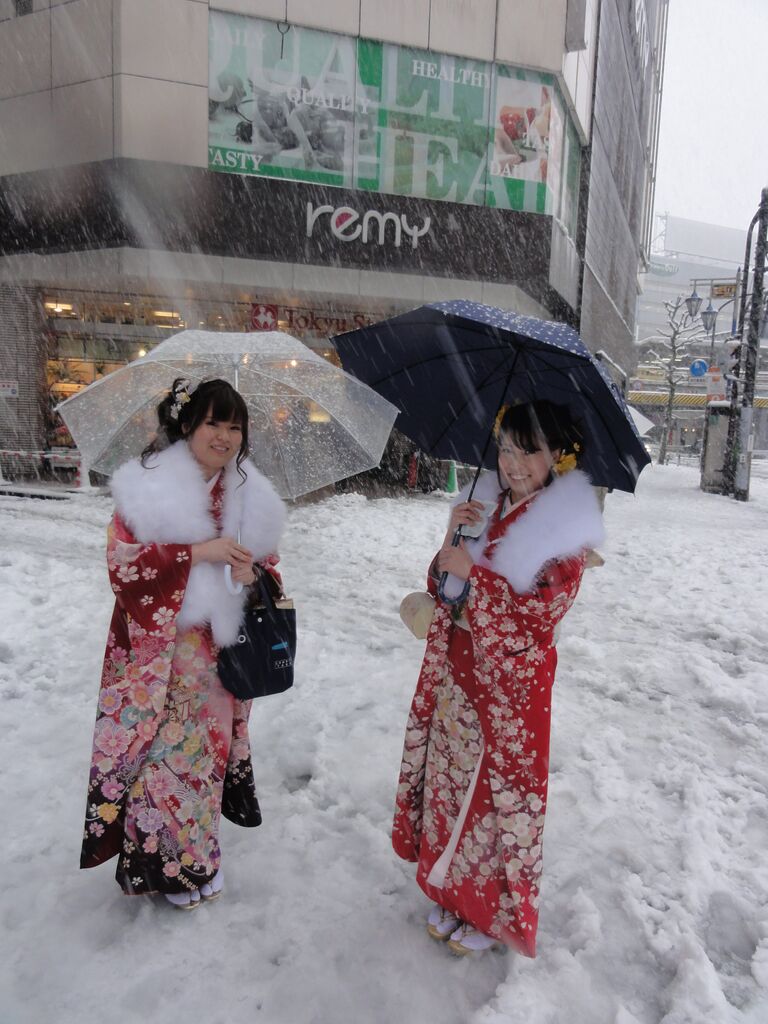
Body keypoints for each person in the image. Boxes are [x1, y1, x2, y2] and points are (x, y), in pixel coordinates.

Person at [392, 400, 605, 956]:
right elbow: (445, 586)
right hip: (460, 675)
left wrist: (477, 579)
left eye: (527, 451)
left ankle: (487, 911)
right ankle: (450, 889)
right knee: (450, 781)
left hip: (511, 687)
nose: (512, 464)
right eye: (505, 449)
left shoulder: (564, 535)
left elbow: (537, 618)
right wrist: (451, 542)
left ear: (557, 456)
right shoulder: (484, 504)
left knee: (493, 797)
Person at [80, 378, 286, 910]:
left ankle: (198, 859)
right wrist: (197, 552)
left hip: (219, 653)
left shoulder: (248, 494)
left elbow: (269, 576)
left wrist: (249, 572)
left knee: (204, 761)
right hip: (160, 652)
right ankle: (164, 867)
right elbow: (123, 566)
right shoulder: (148, 489)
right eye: (213, 423)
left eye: (235, 427)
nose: (224, 437)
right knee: (163, 759)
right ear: (187, 425)